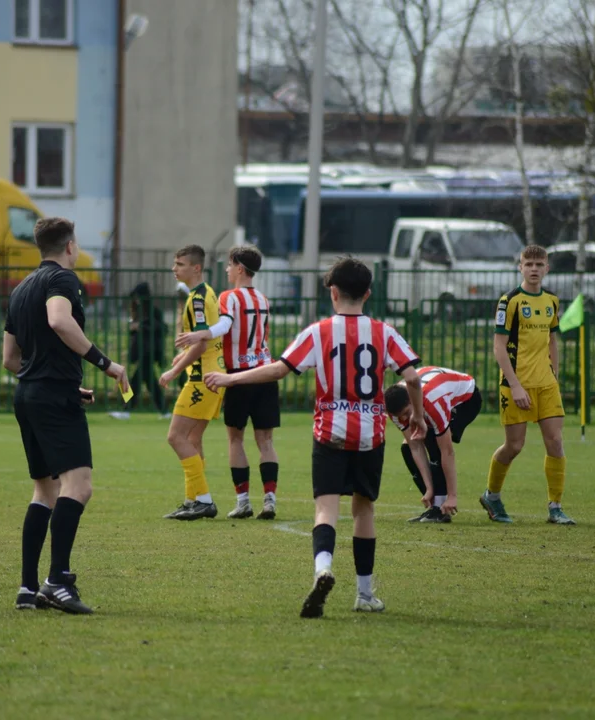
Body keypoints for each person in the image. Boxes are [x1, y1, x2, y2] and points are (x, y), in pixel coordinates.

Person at [205, 257, 426, 619]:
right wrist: (416, 414)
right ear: (368, 293)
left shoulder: (319, 332)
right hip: (371, 433)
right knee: (364, 509)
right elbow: (414, 379)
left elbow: (279, 369)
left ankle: (323, 569)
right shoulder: (385, 333)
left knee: (326, 507)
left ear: (332, 292)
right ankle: (365, 593)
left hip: (331, 431)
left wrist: (231, 379)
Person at [3, 217, 130, 615]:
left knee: (45, 491)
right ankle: (57, 581)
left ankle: (27, 588)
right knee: (79, 486)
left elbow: (10, 358)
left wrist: (58, 381)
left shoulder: (21, 288)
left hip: (28, 394)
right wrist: (105, 363)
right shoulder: (63, 280)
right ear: (70, 246)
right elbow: (59, 320)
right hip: (53, 398)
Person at [176, 245, 280, 520]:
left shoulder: (229, 297)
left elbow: (225, 324)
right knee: (266, 441)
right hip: (266, 372)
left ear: (240, 269)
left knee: (235, 439)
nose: (226, 269)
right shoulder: (263, 298)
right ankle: (269, 499)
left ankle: (243, 500)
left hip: (237, 375)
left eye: (229, 265)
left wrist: (202, 334)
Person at [482, 244, 576, 525]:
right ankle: (492, 496)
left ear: (547, 268)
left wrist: (554, 377)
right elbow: (499, 347)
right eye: (529, 264)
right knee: (514, 445)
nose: (534, 269)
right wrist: (516, 386)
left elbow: (552, 340)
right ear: (520, 267)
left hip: (546, 384)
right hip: (516, 384)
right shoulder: (509, 301)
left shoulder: (551, 301)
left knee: (556, 441)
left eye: (539, 264)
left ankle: (555, 506)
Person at [158, 245, 225, 521]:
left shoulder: (197, 299)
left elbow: (201, 343)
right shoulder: (206, 293)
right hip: (212, 377)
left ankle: (204, 500)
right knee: (193, 438)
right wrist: (182, 355)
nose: (175, 269)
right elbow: (200, 342)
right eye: (175, 264)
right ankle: (193, 499)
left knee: (175, 437)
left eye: (180, 264)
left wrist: (175, 372)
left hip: (201, 380)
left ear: (196, 268)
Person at [383, 365, 483, 524]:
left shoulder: (433, 401)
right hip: (430, 395)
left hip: (467, 400)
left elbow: (447, 451)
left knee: (435, 444)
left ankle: (443, 507)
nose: (407, 419)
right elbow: (415, 446)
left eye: (408, 413)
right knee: (407, 448)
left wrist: (453, 496)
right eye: (401, 417)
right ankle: (435, 505)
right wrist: (429, 488)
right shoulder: (394, 411)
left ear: (412, 400)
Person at [109, 282, 168, 419]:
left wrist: (141, 326)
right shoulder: (138, 311)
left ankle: (126, 410)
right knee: (150, 383)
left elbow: (161, 328)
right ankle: (164, 411)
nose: (135, 300)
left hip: (149, 352)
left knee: (135, 382)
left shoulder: (153, 311)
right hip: (142, 352)